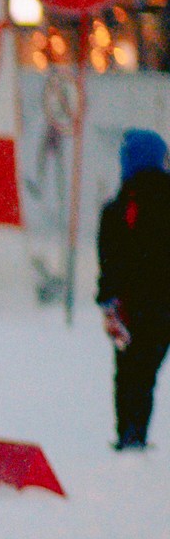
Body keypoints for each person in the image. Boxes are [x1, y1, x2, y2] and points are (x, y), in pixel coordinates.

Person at [97, 128, 170, 452]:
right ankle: (135, 436)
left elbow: (109, 261)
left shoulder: (119, 208)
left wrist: (108, 302)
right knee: (146, 373)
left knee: (128, 372)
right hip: (165, 307)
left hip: (130, 307)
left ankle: (129, 436)